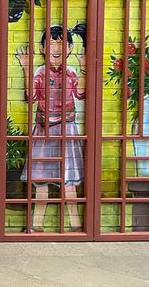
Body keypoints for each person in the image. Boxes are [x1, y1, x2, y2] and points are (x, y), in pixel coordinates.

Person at [15, 23, 87, 232]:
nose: (57, 48)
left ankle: (75, 225)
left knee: (69, 183)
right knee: (41, 182)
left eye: (62, 43)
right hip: (44, 129)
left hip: (67, 128)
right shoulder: (39, 71)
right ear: (43, 48)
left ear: (70, 49)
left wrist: (83, 69)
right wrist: (27, 68)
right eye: (52, 43)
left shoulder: (72, 72)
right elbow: (31, 97)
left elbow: (81, 94)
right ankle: (36, 226)